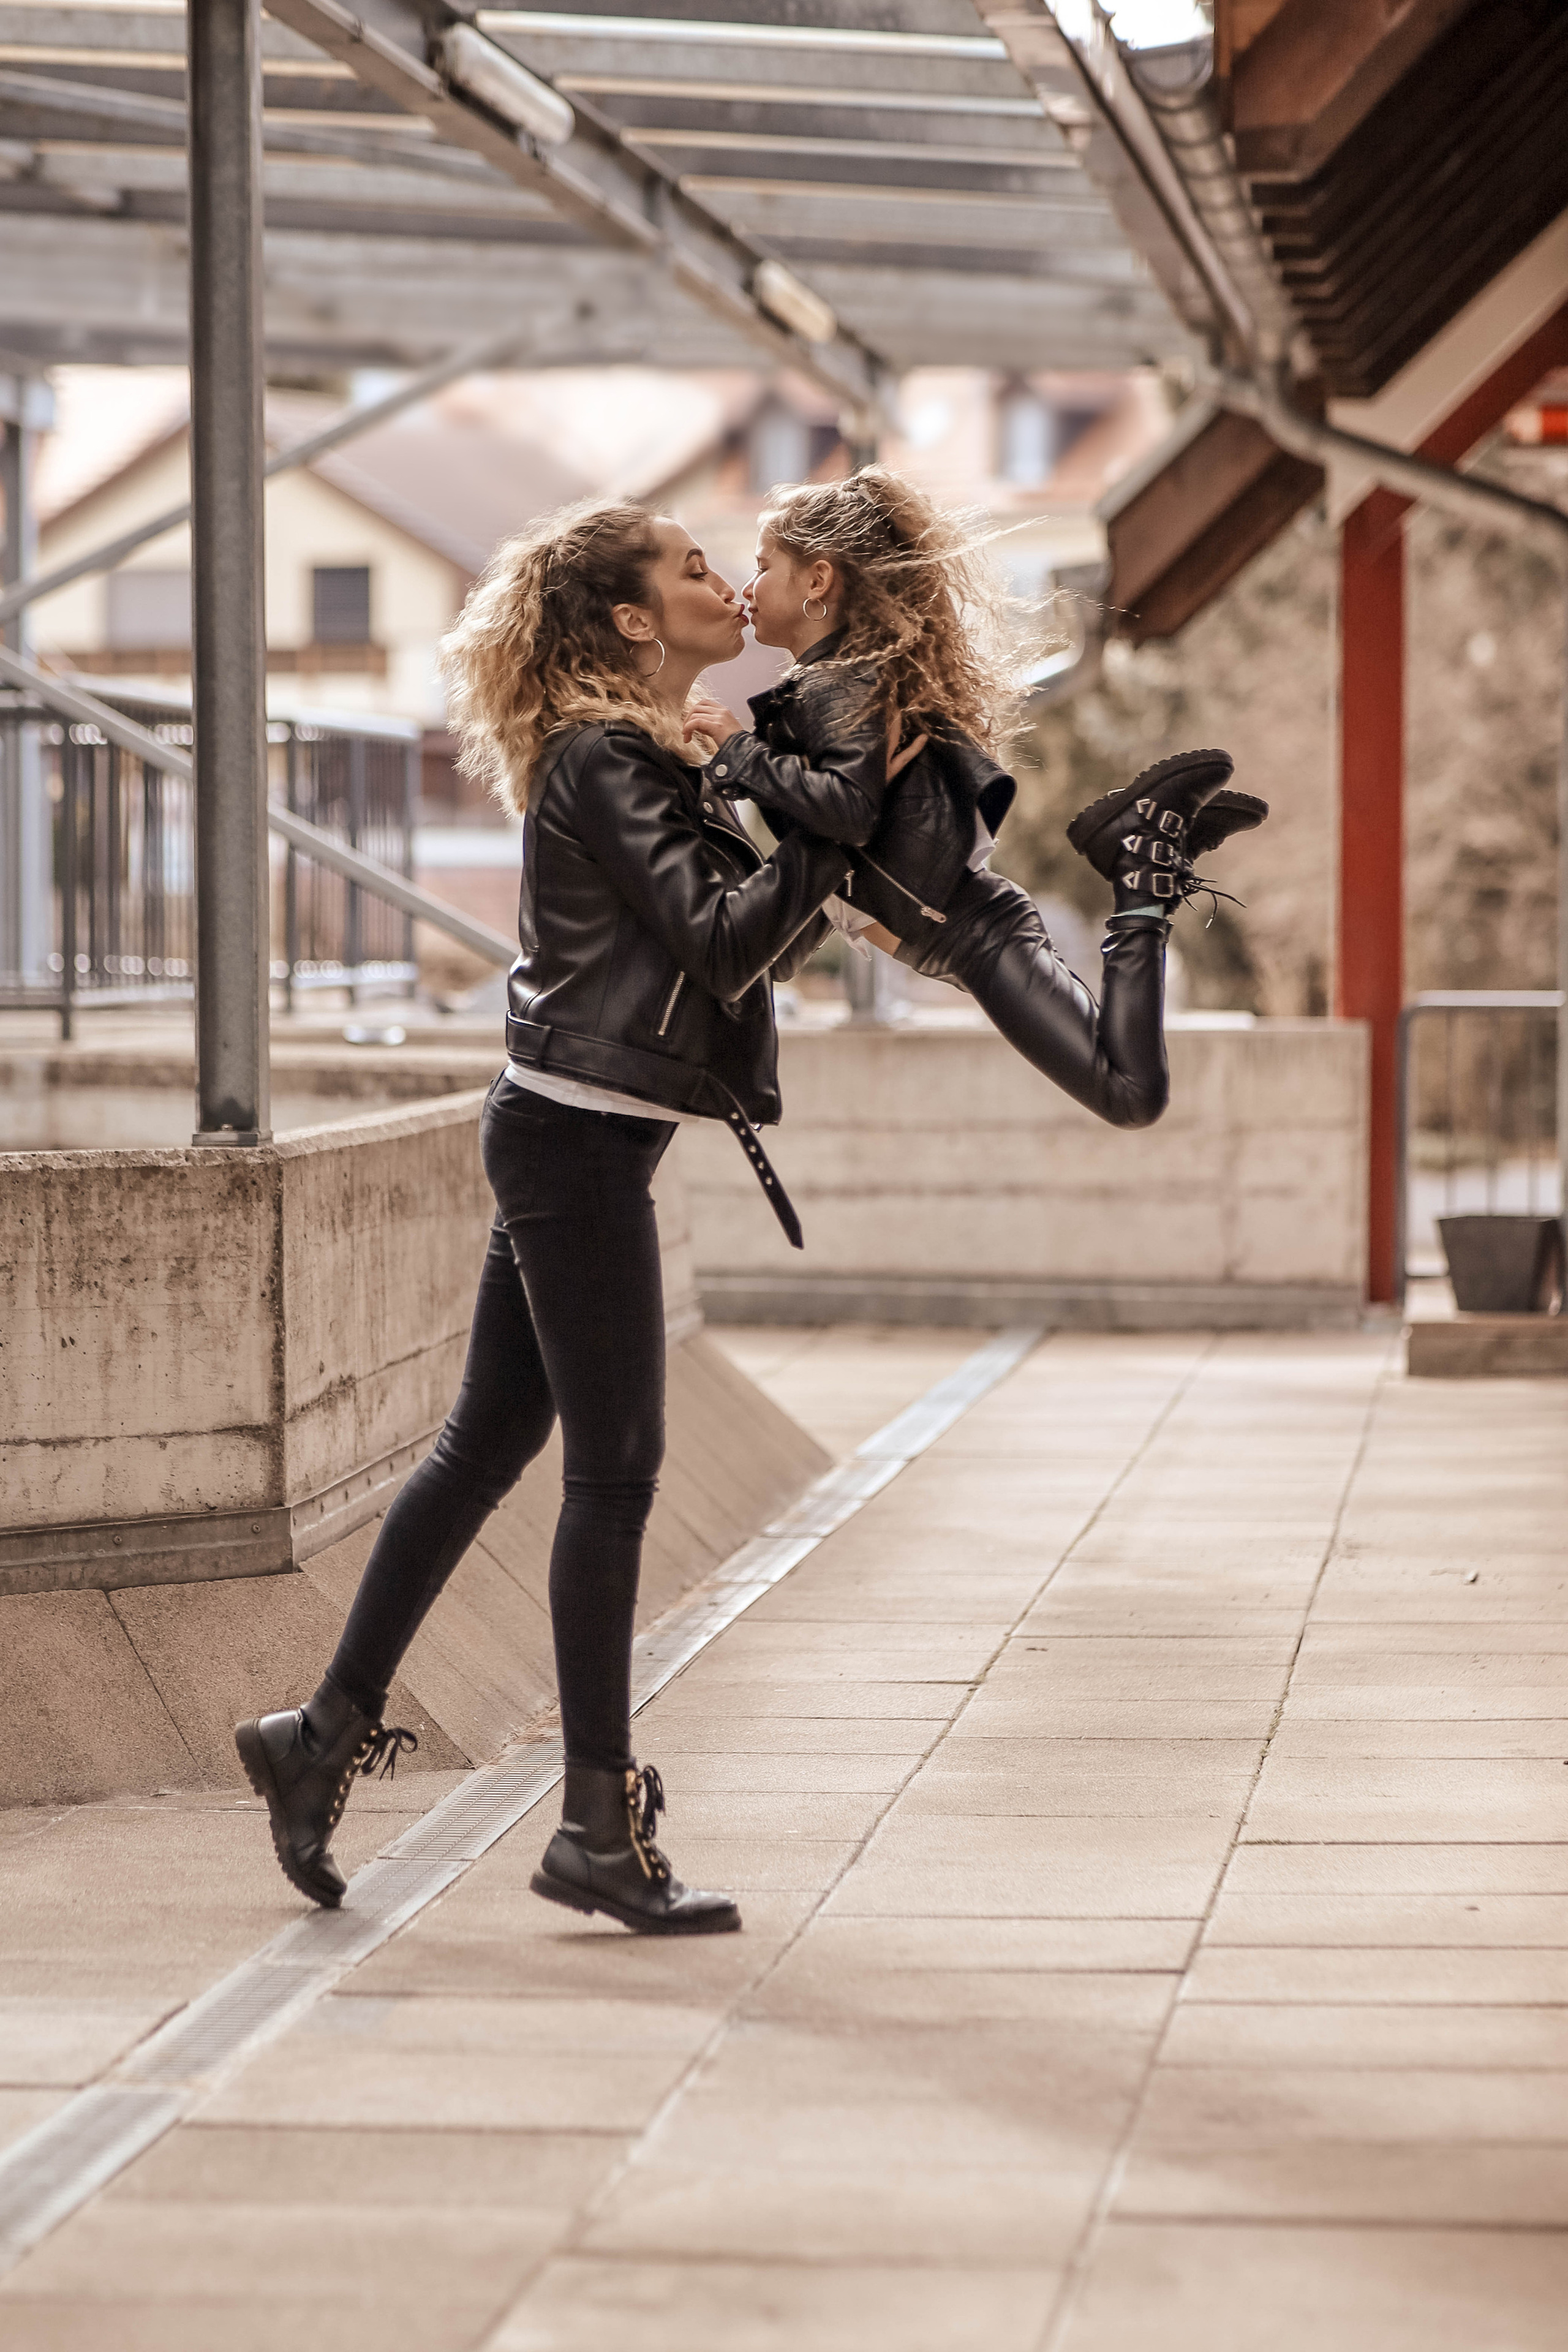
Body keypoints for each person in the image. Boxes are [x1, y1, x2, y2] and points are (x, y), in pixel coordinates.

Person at [235, 499, 911, 1937]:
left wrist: (822, 841)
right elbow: (728, 945)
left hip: (568, 1129)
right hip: (575, 1144)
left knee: (489, 1440)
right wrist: (828, 839)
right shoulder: (606, 758)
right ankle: (595, 1824)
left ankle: (317, 1737)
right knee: (612, 1471)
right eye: (686, 569)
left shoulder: (646, 756)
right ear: (625, 621)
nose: (723, 581)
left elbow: (740, 942)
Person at [685, 467, 1268, 1130]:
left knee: (1130, 1094)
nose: (747, 587)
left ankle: (1142, 868)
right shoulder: (821, 691)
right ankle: (1149, 861)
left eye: (763, 567)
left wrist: (736, 750)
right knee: (1129, 1089)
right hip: (963, 933)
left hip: (976, 936)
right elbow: (829, 873)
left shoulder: (839, 685)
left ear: (818, 581)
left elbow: (846, 812)